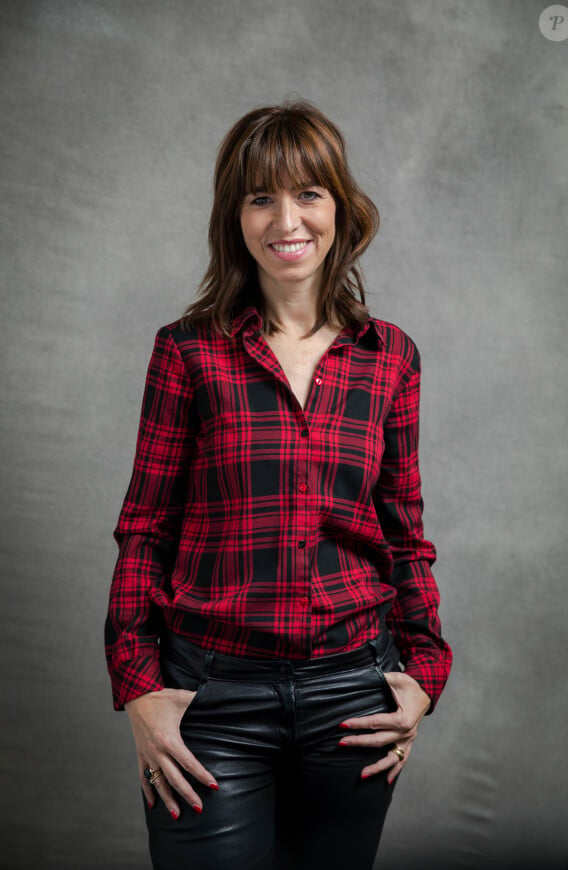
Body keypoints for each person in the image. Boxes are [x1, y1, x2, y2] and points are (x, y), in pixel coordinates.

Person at [105, 99, 452, 870]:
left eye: (308, 193)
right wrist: (136, 685)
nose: (285, 218)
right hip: (212, 698)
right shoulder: (187, 352)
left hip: (353, 697)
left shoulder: (390, 356)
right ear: (235, 216)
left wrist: (425, 674)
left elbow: (403, 530)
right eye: (260, 196)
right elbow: (145, 527)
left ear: (340, 207)